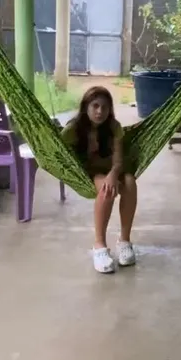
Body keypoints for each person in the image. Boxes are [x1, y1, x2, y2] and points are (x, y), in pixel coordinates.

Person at [61, 86, 137, 273]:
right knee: (107, 190)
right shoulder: (73, 129)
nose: (100, 111)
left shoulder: (114, 127)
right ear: (85, 107)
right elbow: (59, 153)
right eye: (95, 106)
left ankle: (124, 241)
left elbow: (118, 161)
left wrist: (113, 175)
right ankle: (99, 246)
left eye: (105, 107)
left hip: (112, 168)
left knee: (129, 182)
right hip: (91, 173)